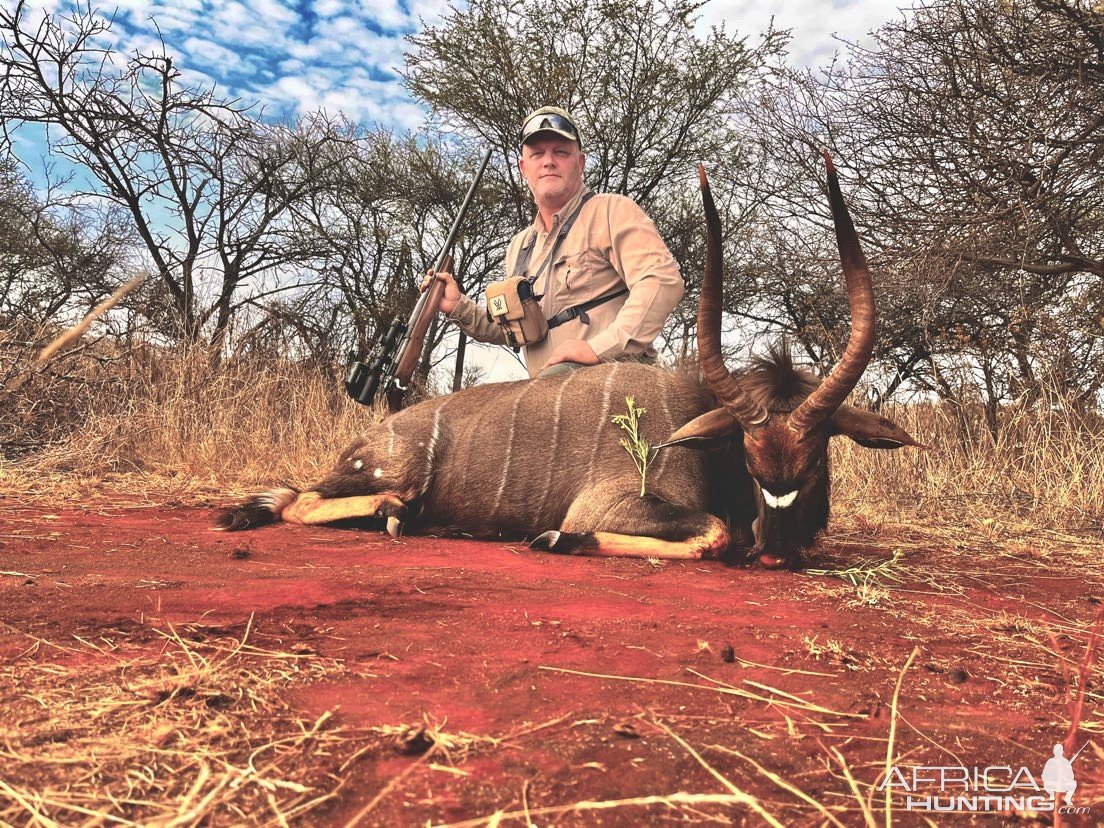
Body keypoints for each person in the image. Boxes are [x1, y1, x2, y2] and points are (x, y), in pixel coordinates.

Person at [423, 106, 684, 378]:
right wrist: (458, 306)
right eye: (537, 154)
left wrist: (599, 349)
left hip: (613, 381)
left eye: (560, 152)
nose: (548, 161)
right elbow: (512, 329)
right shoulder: (519, 246)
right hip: (547, 398)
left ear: (580, 163)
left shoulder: (611, 211)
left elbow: (661, 280)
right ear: (524, 168)